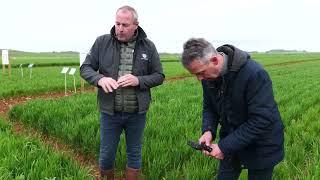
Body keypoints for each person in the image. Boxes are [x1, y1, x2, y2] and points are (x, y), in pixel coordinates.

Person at [80, 5, 165, 180]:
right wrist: (100, 79)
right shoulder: (102, 42)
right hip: (110, 113)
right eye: (117, 23)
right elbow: (86, 68)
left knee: (134, 152)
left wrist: (138, 80)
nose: (120, 28)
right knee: (106, 154)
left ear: (136, 25)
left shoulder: (148, 46)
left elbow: (159, 76)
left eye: (125, 25)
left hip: (137, 113)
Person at [181, 38, 284, 180]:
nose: (199, 79)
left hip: (262, 145)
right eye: (195, 74)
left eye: (200, 72)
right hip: (231, 140)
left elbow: (261, 120)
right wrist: (208, 130)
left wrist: (224, 147)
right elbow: (209, 107)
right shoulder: (208, 77)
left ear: (215, 60)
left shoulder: (254, 74)